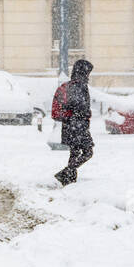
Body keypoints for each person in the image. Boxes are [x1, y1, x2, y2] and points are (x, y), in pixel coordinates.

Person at [54, 58, 95, 186]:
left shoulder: (72, 84)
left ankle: (70, 178)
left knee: (75, 151)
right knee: (88, 152)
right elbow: (78, 105)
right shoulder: (80, 85)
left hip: (70, 124)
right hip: (77, 125)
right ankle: (66, 173)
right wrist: (86, 113)